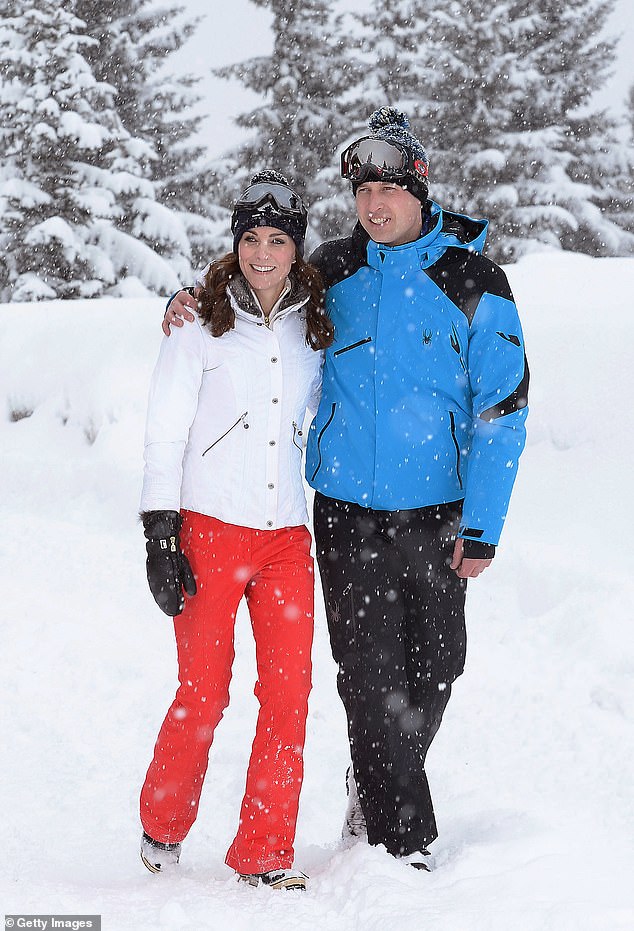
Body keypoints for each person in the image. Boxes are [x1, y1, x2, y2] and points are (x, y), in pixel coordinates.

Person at [164, 107, 529, 870]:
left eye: (388, 190)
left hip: (438, 513)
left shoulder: (474, 280)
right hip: (346, 514)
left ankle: (376, 777)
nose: (373, 205)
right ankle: (401, 839)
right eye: (362, 191)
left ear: (419, 189)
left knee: (437, 670)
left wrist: (484, 523)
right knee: (370, 678)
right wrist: (186, 300)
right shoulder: (332, 269)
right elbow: (254, 289)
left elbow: (503, 410)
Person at [139, 169, 333, 892]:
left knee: (288, 694)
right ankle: (163, 820)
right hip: (209, 528)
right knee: (205, 690)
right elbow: (165, 429)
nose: (262, 253)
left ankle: (265, 849)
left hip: (286, 536)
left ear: (296, 247)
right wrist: (161, 531)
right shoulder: (199, 321)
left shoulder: (316, 324)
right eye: (251, 238)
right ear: (235, 242)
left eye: (277, 239)